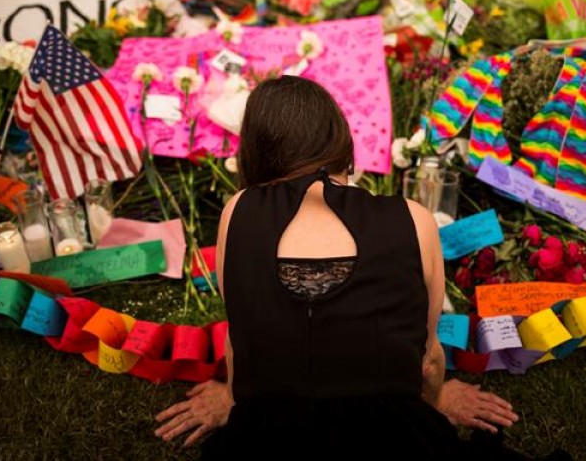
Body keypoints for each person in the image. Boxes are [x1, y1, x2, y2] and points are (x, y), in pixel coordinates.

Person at [155, 76, 520, 459]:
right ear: (338, 139)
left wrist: (231, 397)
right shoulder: (414, 219)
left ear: (257, 149)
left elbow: (242, 335)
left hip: (269, 438)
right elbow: (427, 359)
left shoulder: (239, 211)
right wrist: (437, 398)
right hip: (393, 439)